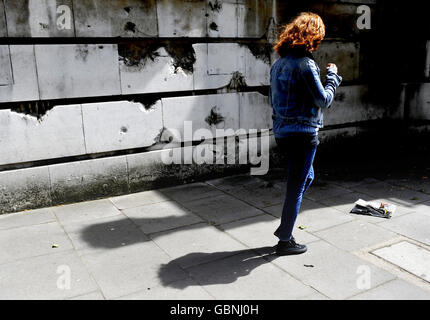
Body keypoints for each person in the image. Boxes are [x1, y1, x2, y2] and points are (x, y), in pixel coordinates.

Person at [270, 12, 342, 256]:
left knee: (305, 178)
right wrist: (332, 77)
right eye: (319, 37)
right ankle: (285, 240)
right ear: (312, 37)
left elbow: (273, 100)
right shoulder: (306, 64)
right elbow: (324, 101)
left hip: (282, 133)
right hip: (303, 134)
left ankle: (285, 227)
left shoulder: (278, 64)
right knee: (297, 187)